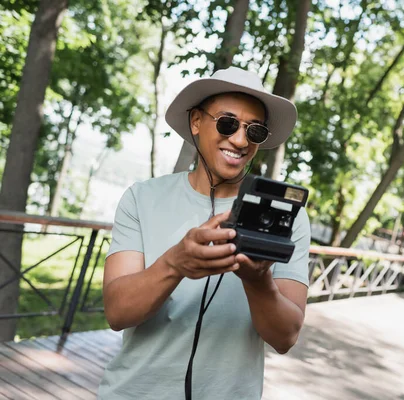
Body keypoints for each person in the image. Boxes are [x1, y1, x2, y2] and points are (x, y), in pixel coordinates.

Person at [98, 67, 311, 400]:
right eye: (227, 123)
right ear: (196, 121)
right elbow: (117, 313)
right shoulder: (141, 198)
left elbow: (286, 337)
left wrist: (258, 281)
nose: (240, 140)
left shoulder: (287, 218)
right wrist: (174, 263)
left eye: (254, 131)